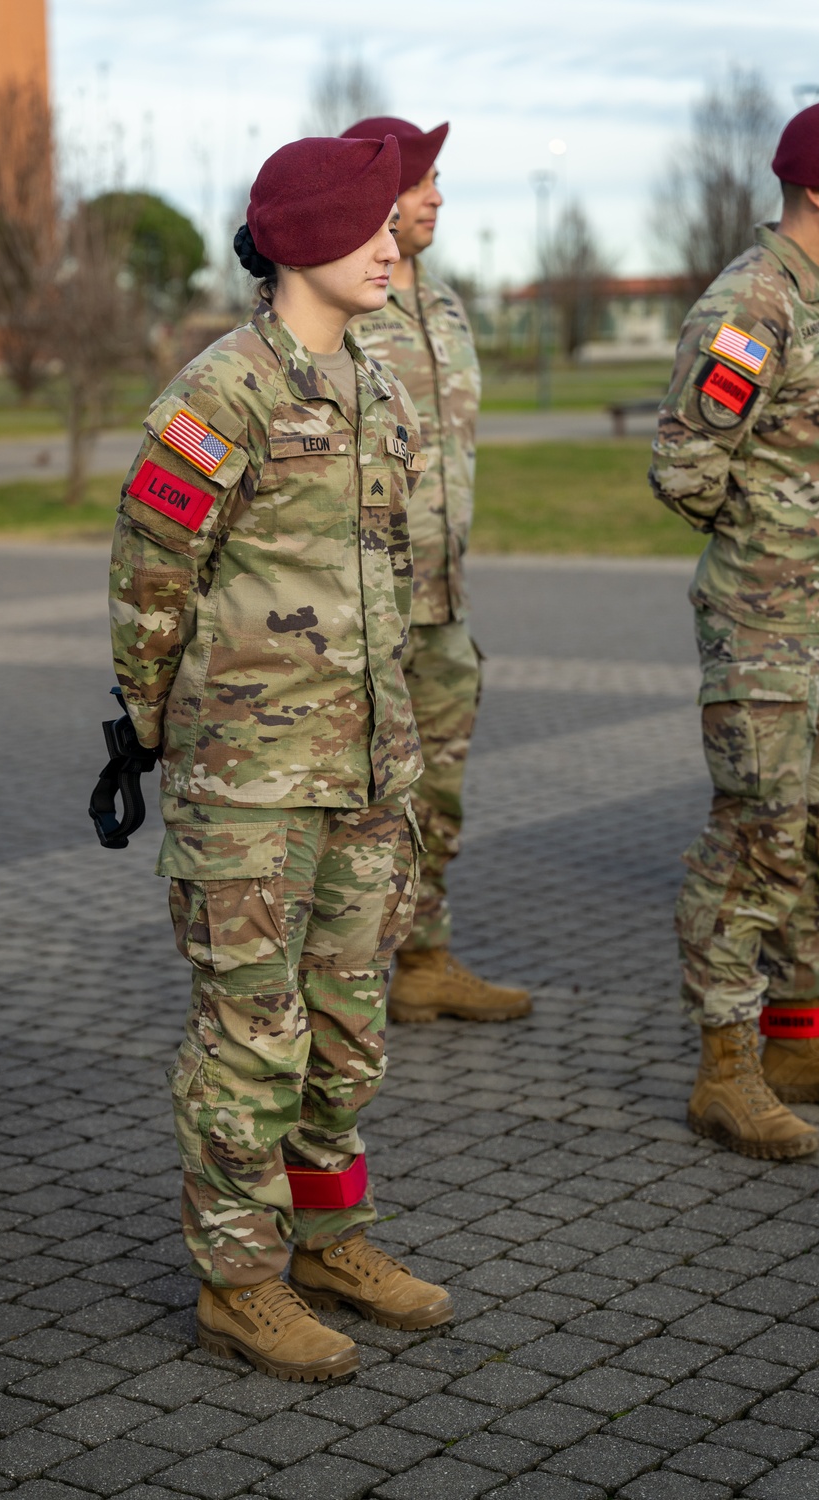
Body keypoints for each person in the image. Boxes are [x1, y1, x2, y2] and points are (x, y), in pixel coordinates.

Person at [110, 133, 454, 1381]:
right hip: (250, 785)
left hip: (367, 773)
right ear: (302, 236)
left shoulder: (381, 383)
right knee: (250, 1038)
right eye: (369, 222)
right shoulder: (221, 393)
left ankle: (332, 1238)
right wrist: (159, 734)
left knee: (347, 1027)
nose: (393, 239)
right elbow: (152, 577)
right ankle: (239, 1282)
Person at [650, 99, 819, 1160]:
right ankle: (724, 1070)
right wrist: (780, 551)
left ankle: (805, 1034)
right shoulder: (753, 302)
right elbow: (683, 468)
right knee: (755, 839)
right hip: (769, 624)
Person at [342, 116, 532, 1024]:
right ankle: (328, 989)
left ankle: (423, 961)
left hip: (444, 604)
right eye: (423, 182)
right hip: (357, 616)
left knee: (438, 796)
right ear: (379, 192)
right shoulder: (336, 305)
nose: (437, 198)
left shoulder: (448, 303)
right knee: (351, 807)